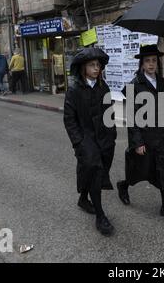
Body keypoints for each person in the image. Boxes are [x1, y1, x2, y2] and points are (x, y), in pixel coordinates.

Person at [117, 44, 164, 221]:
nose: (151, 64)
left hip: (161, 135)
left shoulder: (161, 82)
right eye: (147, 61)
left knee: (163, 169)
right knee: (139, 171)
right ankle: (124, 185)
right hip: (145, 137)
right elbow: (131, 118)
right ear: (141, 63)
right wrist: (137, 142)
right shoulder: (134, 85)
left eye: (154, 60)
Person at [63, 48, 117, 236]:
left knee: (99, 171)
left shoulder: (104, 88)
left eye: (98, 65)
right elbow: (69, 120)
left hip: (105, 139)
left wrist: (112, 135)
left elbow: (110, 113)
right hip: (86, 140)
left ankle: (83, 199)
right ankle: (100, 216)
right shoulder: (74, 90)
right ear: (83, 68)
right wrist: (79, 143)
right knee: (95, 172)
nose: (96, 68)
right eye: (92, 65)